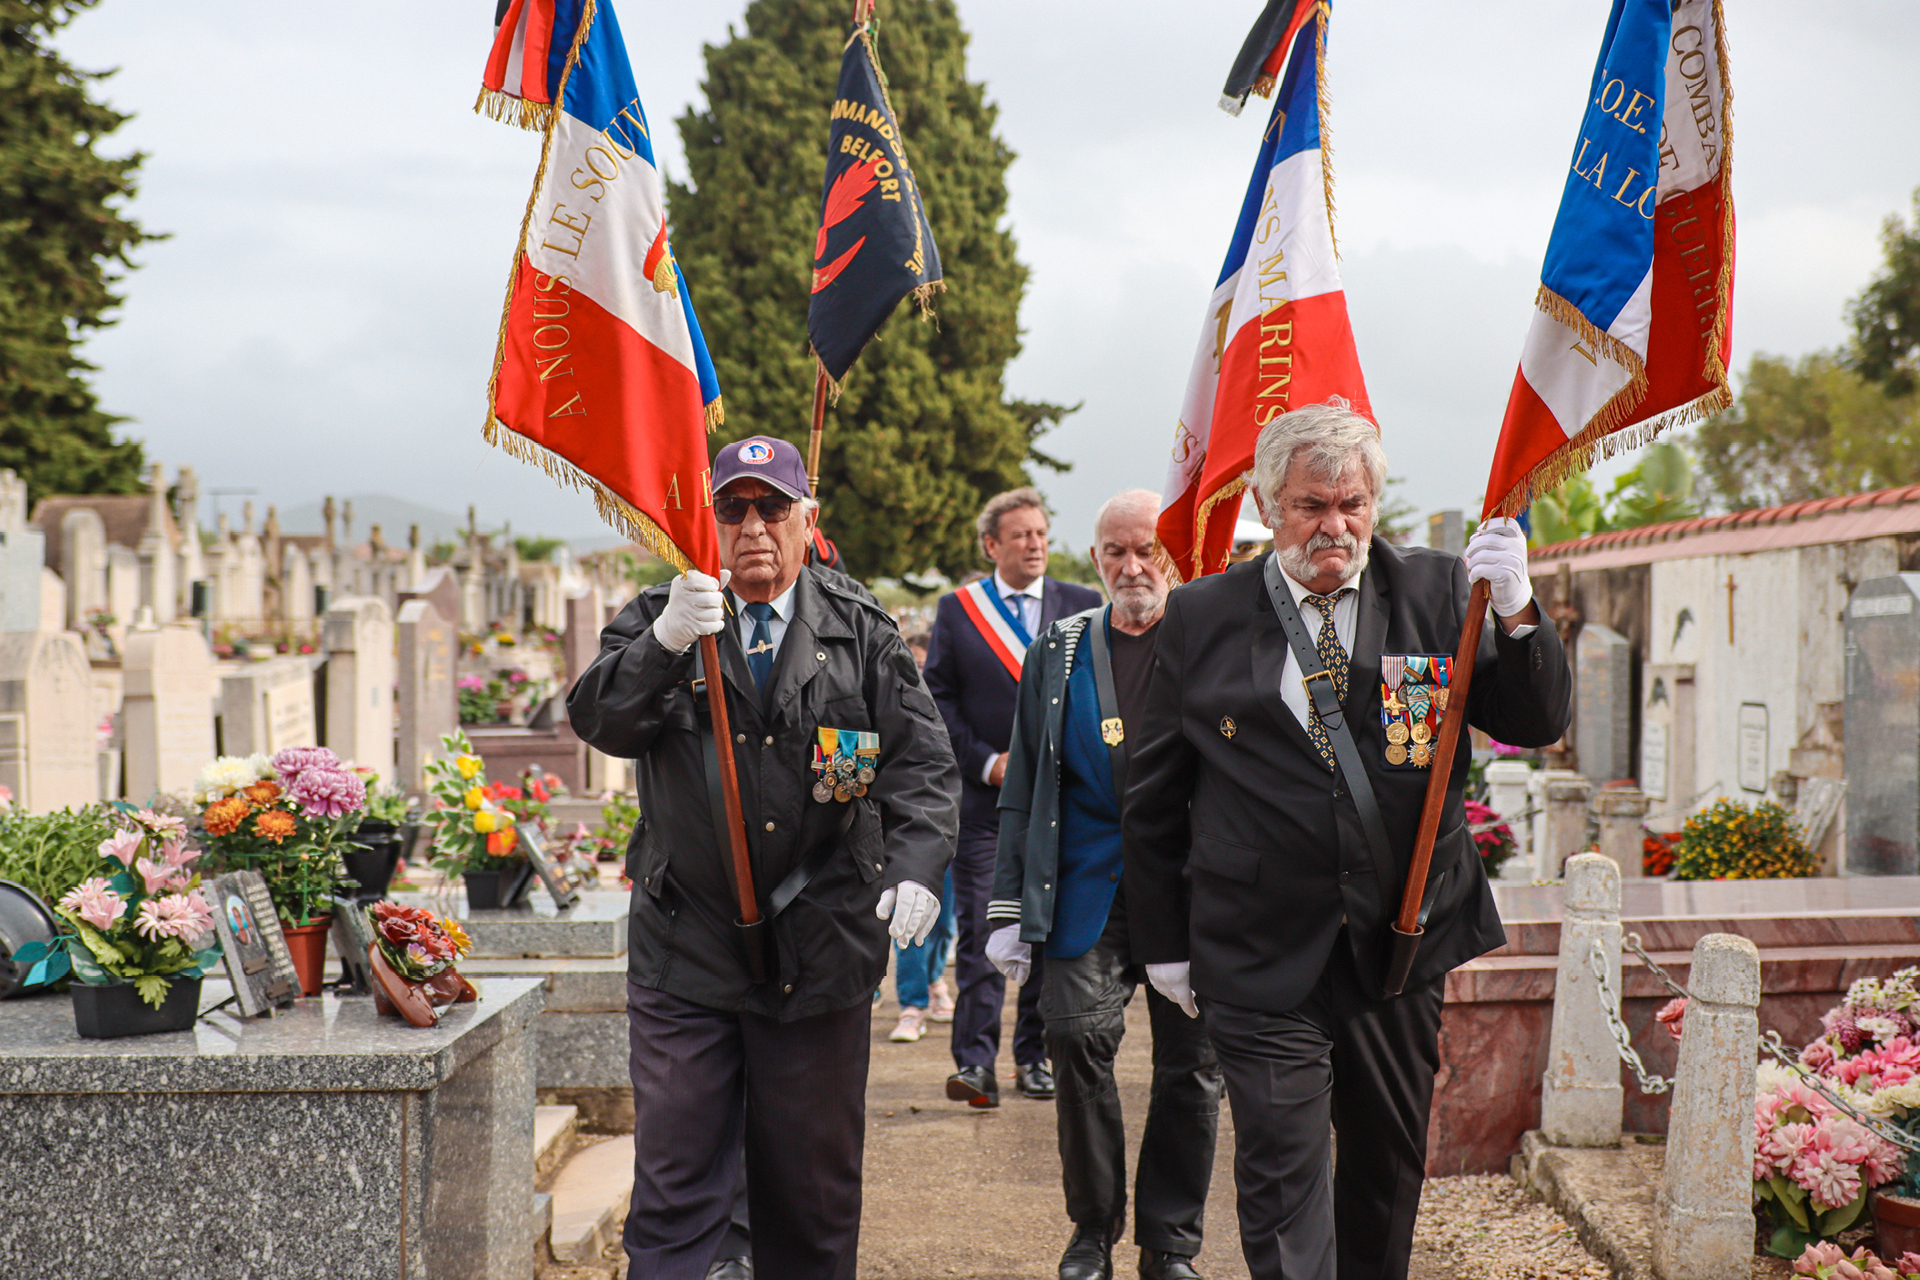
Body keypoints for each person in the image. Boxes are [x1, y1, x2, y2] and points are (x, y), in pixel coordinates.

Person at [1122, 402, 1572, 1280]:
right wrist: (1163, 944)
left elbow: (1535, 720)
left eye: (1353, 504)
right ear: (1269, 505)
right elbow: (1152, 798)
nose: (1335, 526)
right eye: (1311, 506)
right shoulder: (1203, 614)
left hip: (1398, 943)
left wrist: (1519, 614)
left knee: (1383, 1167)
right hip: (1256, 947)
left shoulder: (1443, 593)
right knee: (1281, 1167)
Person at [568, 434, 959, 1280]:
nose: (752, 526)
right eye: (732, 508)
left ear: (806, 520)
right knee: (674, 1190)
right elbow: (601, 720)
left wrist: (918, 867)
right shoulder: (657, 617)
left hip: (821, 945)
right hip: (688, 947)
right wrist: (666, 642)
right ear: (706, 523)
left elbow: (921, 769)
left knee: (810, 1200)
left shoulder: (861, 630)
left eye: (771, 506)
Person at [989, 490, 1222, 1280]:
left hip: (1191, 894)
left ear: (1173, 557)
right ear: (1093, 562)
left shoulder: (1212, 641)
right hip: (1084, 888)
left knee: (1192, 1066)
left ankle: (1170, 1244)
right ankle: (1092, 1232)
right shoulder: (1056, 650)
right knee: (1077, 1043)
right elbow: (1026, 778)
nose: (1133, 568)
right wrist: (1008, 904)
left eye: (1148, 551)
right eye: (1116, 553)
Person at [924, 487, 1103, 1106]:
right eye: (1022, 535)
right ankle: (975, 1063)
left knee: (1044, 932)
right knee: (982, 931)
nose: (1035, 545)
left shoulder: (1083, 605)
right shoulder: (958, 610)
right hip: (986, 806)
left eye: (1042, 535)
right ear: (991, 545)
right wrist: (985, 761)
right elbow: (936, 699)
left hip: (1061, 808)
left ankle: (1034, 1056)